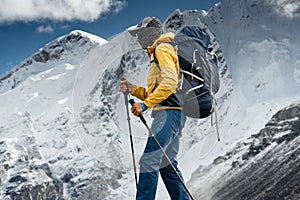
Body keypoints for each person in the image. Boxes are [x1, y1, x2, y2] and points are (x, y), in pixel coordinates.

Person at [120, 16, 190, 200]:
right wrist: (134, 90)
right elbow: (159, 91)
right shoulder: (159, 52)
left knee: (149, 160)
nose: (137, 38)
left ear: (150, 32)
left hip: (168, 113)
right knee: (167, 165)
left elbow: (169, 83)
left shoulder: (162, 49)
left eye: (140, 34)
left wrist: (144, 105)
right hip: (174, 113)